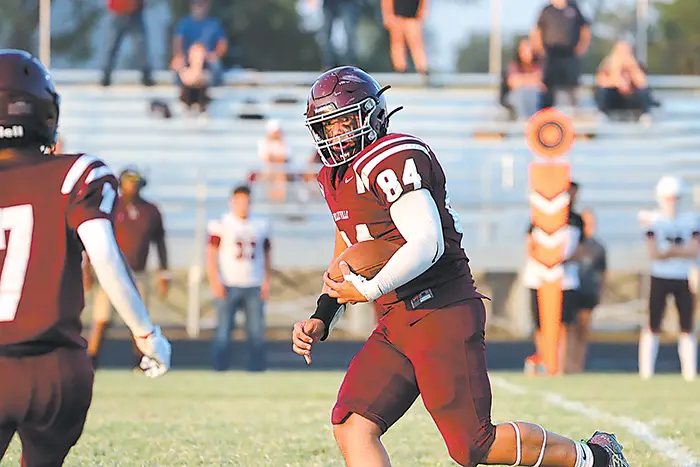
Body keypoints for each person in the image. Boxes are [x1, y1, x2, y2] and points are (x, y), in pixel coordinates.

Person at [291, 66, 628, 467]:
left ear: (372, 114)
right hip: (397, 319)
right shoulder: (334, 176)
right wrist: (323, 314)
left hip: (440, 312)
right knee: (352, 423)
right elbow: (348, 248)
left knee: (474, 446)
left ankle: (596, 457)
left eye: (345, 121)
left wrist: (367, 290)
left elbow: (427, 243)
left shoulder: (393, 156)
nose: (337, 134)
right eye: (328, 126)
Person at [0, 49, 170, 466]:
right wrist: (146, 334)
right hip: (54, 367)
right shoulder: (75, 173)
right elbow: (105, 257)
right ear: (45, 112)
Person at [84, 166, 170, 370]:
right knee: (101, 319)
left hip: (138, 272)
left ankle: (141, 361)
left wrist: (164, 272)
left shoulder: (150, 210)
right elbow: (95, 237)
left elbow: (160, 243)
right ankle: (92, 359)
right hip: (111, 272)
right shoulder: (111, 206)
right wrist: (87, 268)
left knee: (140, 321)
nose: (132, 186)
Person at [639, 175, 699, 382]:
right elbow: (653, 252)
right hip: (660, 276)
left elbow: (694, 250)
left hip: (683, 276)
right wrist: (676, 251)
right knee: (653, 323)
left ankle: (689, 372)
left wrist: (670, 252)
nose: (672, 202)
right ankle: (646, 372)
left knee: (687, 325)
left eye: (675, 198)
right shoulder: (653, 219)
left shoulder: (691, 219)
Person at [207, 185, 272, 372]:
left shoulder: (260, 224)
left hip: (254, 283)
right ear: (232, 202)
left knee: (256, 333)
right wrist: (215, 280)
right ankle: (219, 369)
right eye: (240, 201)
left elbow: (266, 254)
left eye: (246, 201)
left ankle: (257, 370)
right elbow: (210, 255)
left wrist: (266, 280)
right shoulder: (222, 223)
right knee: (223, 332)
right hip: (228, 283)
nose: (243, 205)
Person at [523, 181, 584, 375]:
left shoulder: (575, 220)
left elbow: (579, 249)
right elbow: (530, 245)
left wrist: (559, 260)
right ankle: (544, 359)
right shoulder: (538, 218)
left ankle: (561, 364)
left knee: (564, 323)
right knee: (540, 323)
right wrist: (544, 261)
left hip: (564, 278)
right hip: (539, 277)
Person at [531, 0, 590, 109]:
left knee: (571, 86)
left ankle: (572, 111)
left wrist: (582, 47)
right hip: (551, 56)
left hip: (570, 56)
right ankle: (547, 114)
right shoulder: (546, 10)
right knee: (548, 87)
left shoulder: (574, 8)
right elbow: (536, 30)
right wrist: (539, 49)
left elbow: (585, 29)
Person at [568, 208, 607, 374]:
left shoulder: (598, 247)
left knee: (583, 330)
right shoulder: (573, 243)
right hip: (572, 288)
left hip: (588, 291)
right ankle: (566, 363)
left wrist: (600, 292)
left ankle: (578, 364)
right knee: (569, 328)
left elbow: (602, 272)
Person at [595, 41, 653, 124]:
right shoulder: (607, 65)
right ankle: (602, 114)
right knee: (602, 91)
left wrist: (633, 68)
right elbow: (600, 82)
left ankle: (645, 115)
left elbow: (642, 83)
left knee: (644, 91)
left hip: (630, 99)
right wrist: (617, 76)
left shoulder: (636, 65)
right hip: (614, 99)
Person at [172, 0, 227, 87]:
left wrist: (215, 54)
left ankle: (213, 92)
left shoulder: (214, 24)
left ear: (207, 5)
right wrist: (180, 55)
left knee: (217, 68)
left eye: (202, 4)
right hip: (188, 57)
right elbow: (178, 41)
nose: (199, 6)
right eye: (196, 3)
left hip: (207, 56)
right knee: (177, 68)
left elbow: (222, 43)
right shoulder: (184, 23)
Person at [101, 0, 154, 87]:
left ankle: (146, 75)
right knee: (111, 47)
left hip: (135, 14)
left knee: (140, 47)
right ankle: (106, 75)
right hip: (118, 13)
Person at [381, 0, 429, 82]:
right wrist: (388, 15)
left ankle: (422, 69)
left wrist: (422, 11)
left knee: (416, 44)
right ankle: (400, 68)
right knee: (397, 44)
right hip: (396, 17)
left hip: (413, 18)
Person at [505, 37, 544, 120]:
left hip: (536, 98)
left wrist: (522, 80)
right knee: (521, 94)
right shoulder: (514, 65)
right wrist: (532, 79)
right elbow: (513, 83)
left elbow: (541, 83)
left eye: (529, 49)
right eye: (524, 49)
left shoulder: (539, 64)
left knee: (533, 93)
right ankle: (523, 121)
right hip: (516, 99)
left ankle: (532, 122)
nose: (527, 52)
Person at [257, 119, 290, 202]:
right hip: (268, 170)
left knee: (280, 173)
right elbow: (268, 159)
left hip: (280, 169)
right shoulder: (263, 142)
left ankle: (279, 199)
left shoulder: (284, 141)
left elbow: (283, 159)